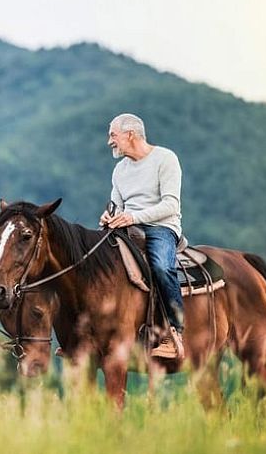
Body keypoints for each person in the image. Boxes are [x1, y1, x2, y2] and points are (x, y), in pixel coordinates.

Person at [99, 113, 185, 360]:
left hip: (161, 227)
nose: (109, 142)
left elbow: (171, 205)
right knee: (95, 261)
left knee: (161, 266)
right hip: (127, 227)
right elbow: (115, 205)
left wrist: (133, 217)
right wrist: (108, 216)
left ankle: (175, 332)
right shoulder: (119, 170)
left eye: (112, 135)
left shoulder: (165, 159)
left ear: (130, 135)